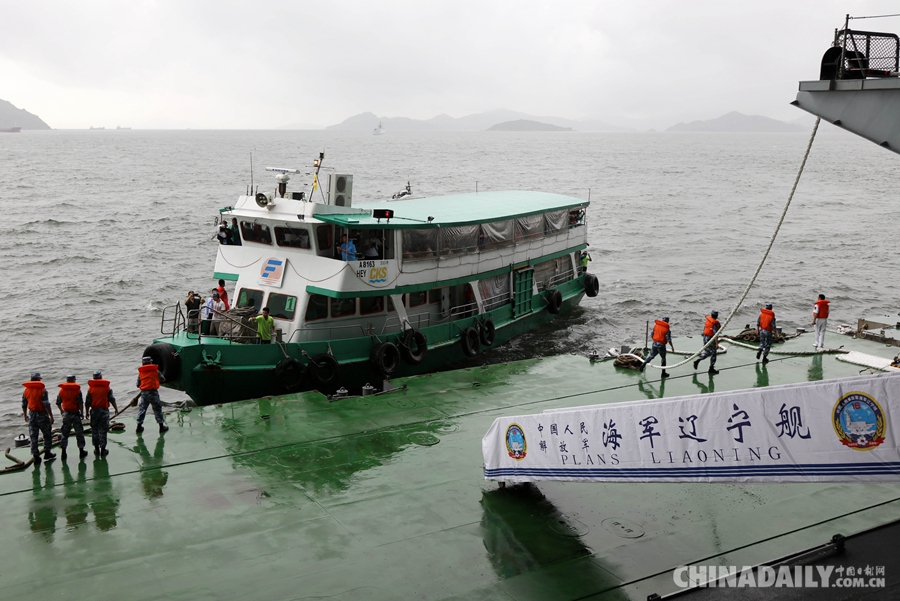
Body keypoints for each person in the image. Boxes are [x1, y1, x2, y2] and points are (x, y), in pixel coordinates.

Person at [22, 372, 56, 465]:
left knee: (33, 436)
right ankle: (47, 453)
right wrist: (51, 416)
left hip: (32, 415)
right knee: (47, 434)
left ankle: (36, 456)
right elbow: (46, 404)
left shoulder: (26, 390)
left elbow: (24, 405)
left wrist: (25, 415)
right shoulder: (42, 390)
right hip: (42, 415)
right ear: (38, 379)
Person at [86, 371, 117, 457]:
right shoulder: (107, 388)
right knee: (103, 430)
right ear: (101, 377)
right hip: (104, 411)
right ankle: (103, 449)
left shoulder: (90, 389)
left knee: (94, 430)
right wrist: (116, 409)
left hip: (94, 411)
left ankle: (96, 449)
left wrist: (86, 412)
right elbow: (112, 399)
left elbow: (87, 402)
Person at [56, 375, 87, 461]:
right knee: (79, 432)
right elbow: (80, 403)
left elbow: (58, 402)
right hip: (75, 413)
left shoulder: (61, 391)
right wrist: (82, 412)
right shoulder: (77, 390)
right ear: (73, 380)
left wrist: (61, 410)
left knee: (65, 433)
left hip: (66, 414)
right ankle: (81, 451)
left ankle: (63, 452)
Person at [136, 356, 168, 434]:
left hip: (144, 394)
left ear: (143, 363)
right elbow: (163, 379)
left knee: (142, 410)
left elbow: (137, 384)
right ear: (150, 362)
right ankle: (161, 427)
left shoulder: (141, 372)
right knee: (157, 409)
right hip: (153, 393)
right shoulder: (156, 371)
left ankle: (139, 427)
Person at [693, 310, 721, 375]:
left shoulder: (708, 320)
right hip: (710, 339)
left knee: (707, 352)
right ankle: (711, 368)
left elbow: (705, 329)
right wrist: (717, 344)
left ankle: (699, 360)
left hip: (705, 337)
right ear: (717, 316)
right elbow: (715, 334)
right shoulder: (715, 323)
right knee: (713, 353)